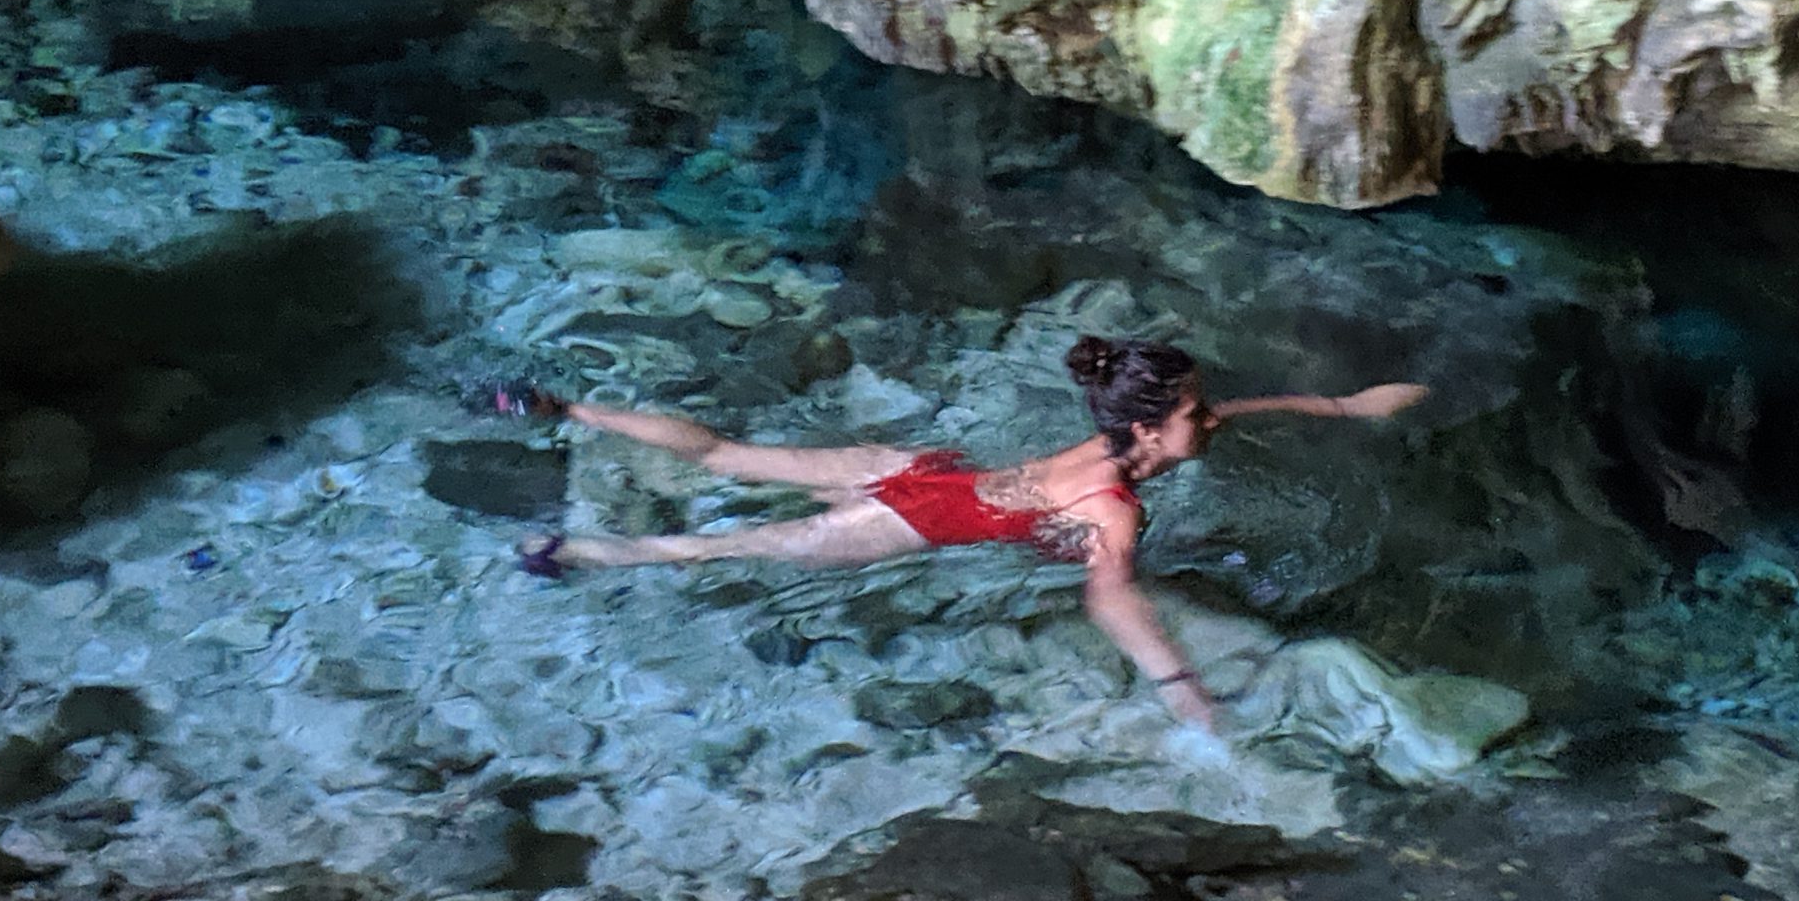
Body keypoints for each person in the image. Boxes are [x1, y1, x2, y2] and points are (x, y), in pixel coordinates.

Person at [494, 337, 1428, 731]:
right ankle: (573, 552)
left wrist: (1350, 406)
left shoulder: (1124, 437)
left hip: (925, 471)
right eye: (1195, 411)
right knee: (727, 547)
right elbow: (1111, 597)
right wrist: (1183, 689)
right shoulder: (1113, 507)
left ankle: (565, 405)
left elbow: (1265, 405)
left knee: (729, 457)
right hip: (912, 516)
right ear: (1150, 432)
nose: (1210, 417)